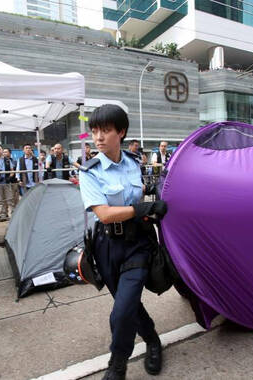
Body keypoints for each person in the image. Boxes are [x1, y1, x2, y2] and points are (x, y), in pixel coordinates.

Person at [79, 104, 168, 380]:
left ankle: (117, 365)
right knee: (127, 306)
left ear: (121, 132)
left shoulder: (132, 162)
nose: (98, 137)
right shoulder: (89, 172)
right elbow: (104, 214)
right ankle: (153, 339)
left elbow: (135, 190)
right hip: (108, 247)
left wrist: (151, 190)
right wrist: (142, 209)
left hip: (138, 243)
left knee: (121, 312)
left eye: (105, 131)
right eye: (95, 131)